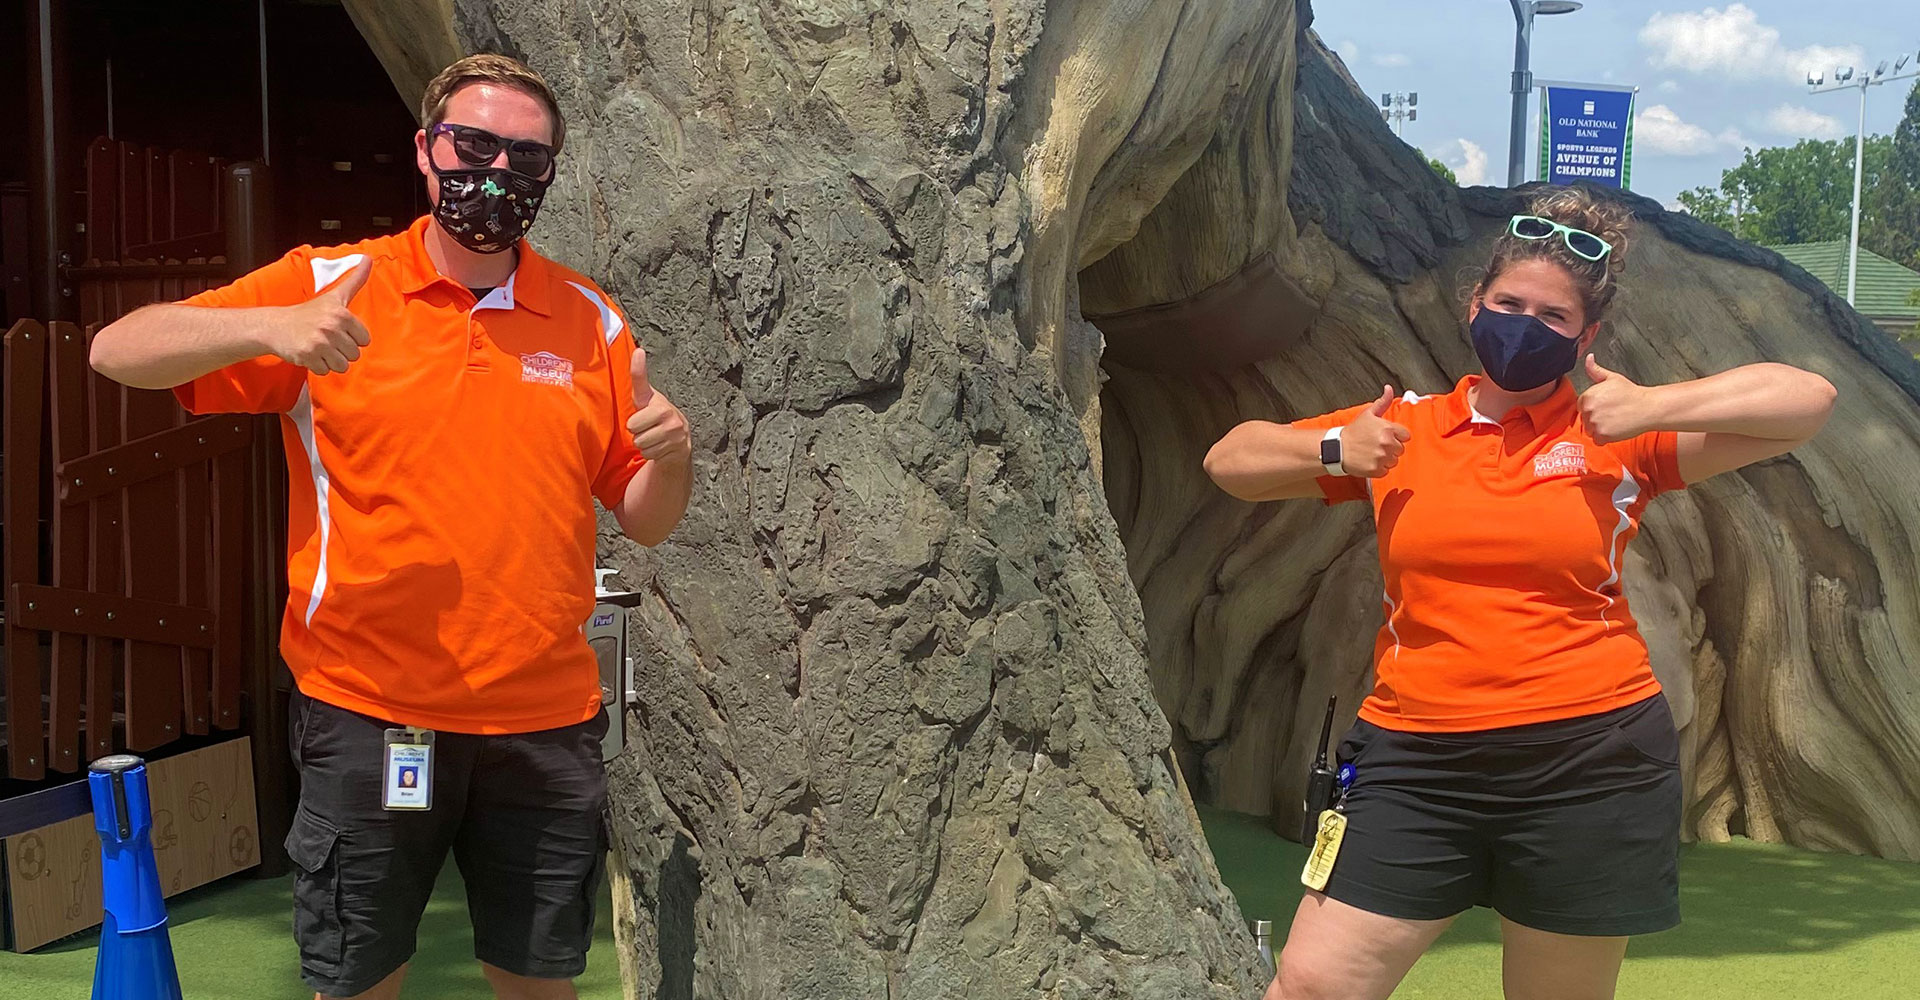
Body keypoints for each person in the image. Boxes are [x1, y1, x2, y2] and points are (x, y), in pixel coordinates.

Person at [89, 54, 691, 1000]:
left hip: (544, 721)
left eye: (525, 157)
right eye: (474, 144)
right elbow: (117, 350)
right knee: (361, 982)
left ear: (549, 175)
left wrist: (675, 456)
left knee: (540, 982)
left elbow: (647, 522)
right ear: (425, 150)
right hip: (371, 714)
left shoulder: (592, 321)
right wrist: (272, 330)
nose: (496, 174)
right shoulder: (332, 286)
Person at [1203, 187, 1837, 1000]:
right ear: (1475, 305)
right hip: (1414, 759)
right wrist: (1335, 446)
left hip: (1590, 763)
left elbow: (1807, 401)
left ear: (1586, 337)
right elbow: (1231, 461)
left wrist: (1653, 404)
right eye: (1508, 303)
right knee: (1312, 986)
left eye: (1553, 316)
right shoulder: (1405, 430)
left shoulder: (1620, 437)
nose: (1525, 325)